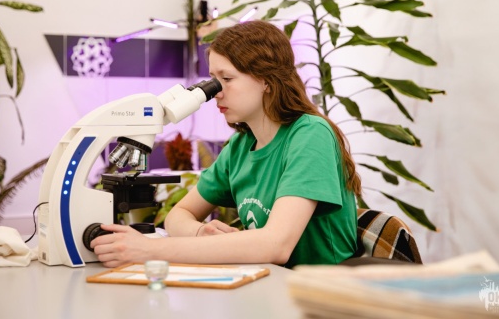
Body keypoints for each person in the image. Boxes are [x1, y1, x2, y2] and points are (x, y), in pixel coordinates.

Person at [91, 20, 362, 268]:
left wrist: (150, 250)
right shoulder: (241, 146)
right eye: (214, 80)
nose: (216, 92)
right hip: (269, 284)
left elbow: (276, 245)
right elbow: (178, 214)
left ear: (266, 80)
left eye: (227, 79)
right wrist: (199, 231)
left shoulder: (310, 134)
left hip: (321, 291)